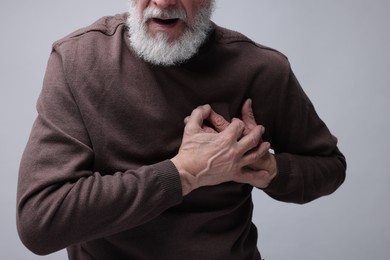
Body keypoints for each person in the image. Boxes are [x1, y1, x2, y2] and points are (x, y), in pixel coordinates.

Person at [17, 0, 346, 259]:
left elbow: (329, 166)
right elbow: (40, 221)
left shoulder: (261, 69)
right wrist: (185, 173)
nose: (162, 2)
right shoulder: (78, 60)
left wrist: (268, 168)